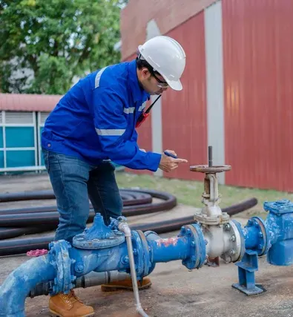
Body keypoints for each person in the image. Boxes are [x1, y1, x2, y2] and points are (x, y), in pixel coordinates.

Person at [41, 35, 188, 317]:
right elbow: (117, 148)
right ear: (145, 71)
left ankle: (116, 272)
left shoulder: (141, 89)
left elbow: (126, 135)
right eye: (163, 83)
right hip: (65, 146)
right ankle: (59, 291)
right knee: (75, 214)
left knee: (113, 212)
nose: (163, 90)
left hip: (94, 150)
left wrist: (155, 156)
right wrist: (155, 161)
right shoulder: (111, 88)